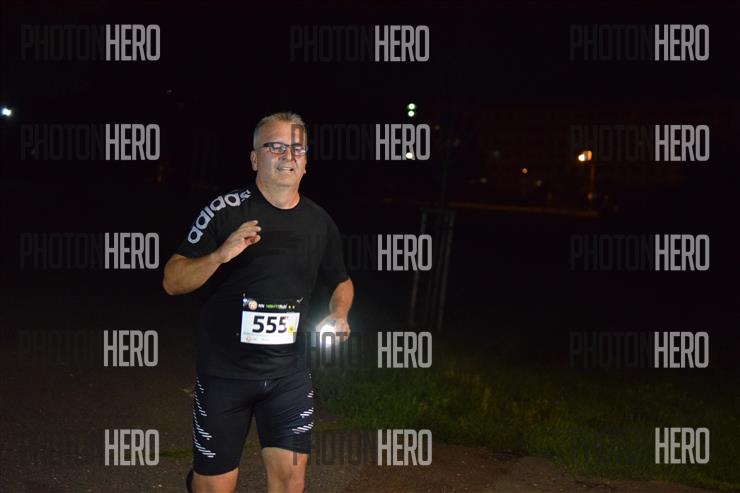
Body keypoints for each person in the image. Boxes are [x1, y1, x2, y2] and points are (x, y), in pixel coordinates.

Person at [163, 111, 354, 493]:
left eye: (297, 148)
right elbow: (172, 280)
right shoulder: (225, 211)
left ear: (306, 163)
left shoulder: (319, 222)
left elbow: (341, 281)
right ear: (254, 159)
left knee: (290, 480)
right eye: (275, 146)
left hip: (289, 375)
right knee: (214, 487)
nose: (288, 156)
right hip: (225, 374)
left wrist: (339, 313)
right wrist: (219, 254)